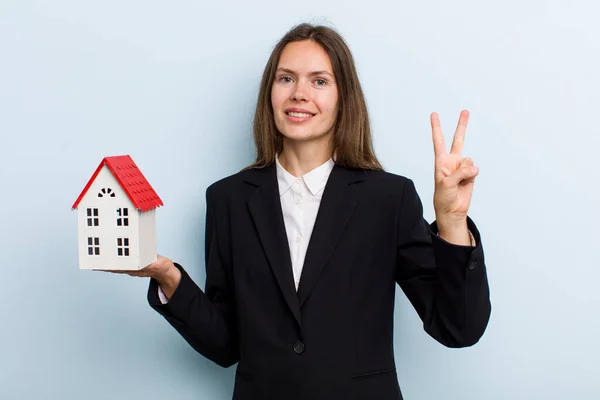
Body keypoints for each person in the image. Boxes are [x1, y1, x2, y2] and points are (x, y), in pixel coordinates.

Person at [113, 23, 491, 400]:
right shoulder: (227, 200)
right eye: (286, 78)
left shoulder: (388, 198)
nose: (299, 94)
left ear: (344, 98)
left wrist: (453, 223)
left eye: (319, 81)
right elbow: (225, 345)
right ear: (270, 93)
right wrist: (168, 278)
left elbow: (458, 327)